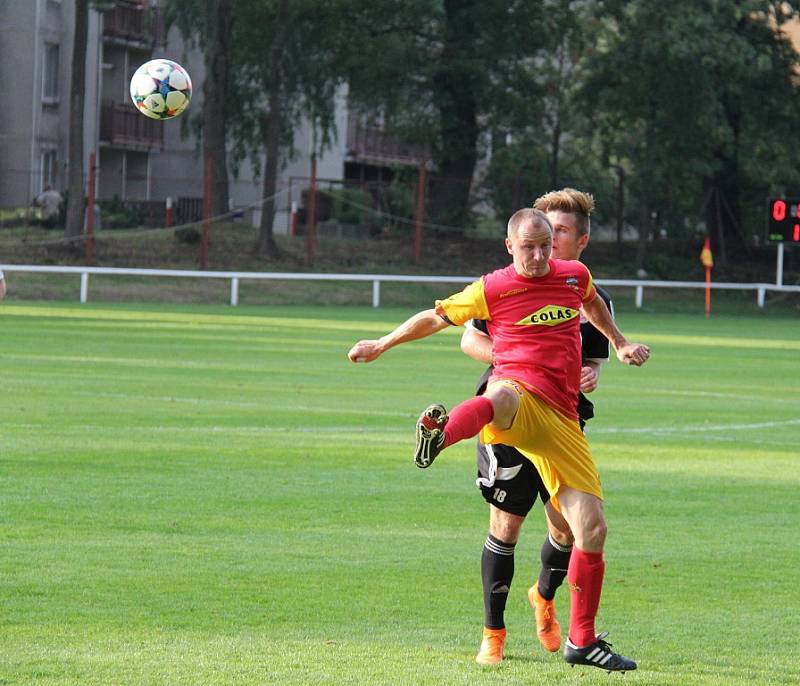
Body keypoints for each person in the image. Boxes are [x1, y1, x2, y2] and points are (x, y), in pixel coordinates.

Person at [348, 207, 650, 673]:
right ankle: (439, 437)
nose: (537, 256)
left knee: (590, 529)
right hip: (519, 396)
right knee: (503, 395)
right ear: (510, 246)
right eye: (527, 247)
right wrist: (381, 343)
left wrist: (619, 342)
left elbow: (592, 302)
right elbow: (435, 318)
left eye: (545, 246)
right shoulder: (493, 288)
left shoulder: (573, 276)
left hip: (564, 420)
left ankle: (581, 640)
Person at [461, 189, 614, 665]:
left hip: (562, 419)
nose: (546, 241)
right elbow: (469, 338)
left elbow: (592, 356)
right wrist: (514, 358)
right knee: (505, 525)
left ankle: (544, 600)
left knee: (568, 529)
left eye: (559, 232)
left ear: (579, 241)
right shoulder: (503, 287)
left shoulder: (584, 289)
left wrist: (592, 371)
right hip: (508, 411)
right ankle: (493, 634)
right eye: (541, 230)